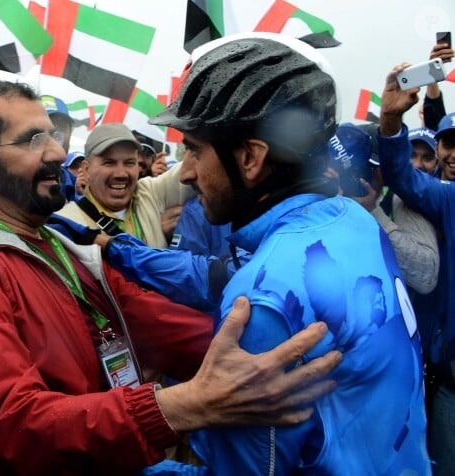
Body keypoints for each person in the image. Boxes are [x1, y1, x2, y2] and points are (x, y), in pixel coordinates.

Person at [0, 79, 341, 475]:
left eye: (52, 136)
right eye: (33, 140)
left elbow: (159, 323)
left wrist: (282, 345)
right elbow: (14, 425)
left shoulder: (64, 245)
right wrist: (185, 405)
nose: (55, 153)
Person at [143, 33, 430, 474]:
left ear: (251, 158)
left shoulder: (260, 301)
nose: (186, 172)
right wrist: (119, 249)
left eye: (195, 149)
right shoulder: (352, 218)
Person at [377, 66, 455, 475]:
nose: (452, 155)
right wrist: (391, 120)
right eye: (448, 145)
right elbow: (403, 175)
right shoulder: (447, 198)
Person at [328, 122, 439, 295]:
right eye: (366, 166)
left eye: (376, 166)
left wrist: (374, 213)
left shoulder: (401, 200)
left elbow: (426, 277)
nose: (373, 172)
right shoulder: (328, 192)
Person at [58, 123, 194, 247]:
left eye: (129, 162)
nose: (121, 174)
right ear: (87, 169)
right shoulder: (66, 222)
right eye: (109, 163)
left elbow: (200, 162)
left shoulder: (151, 193)